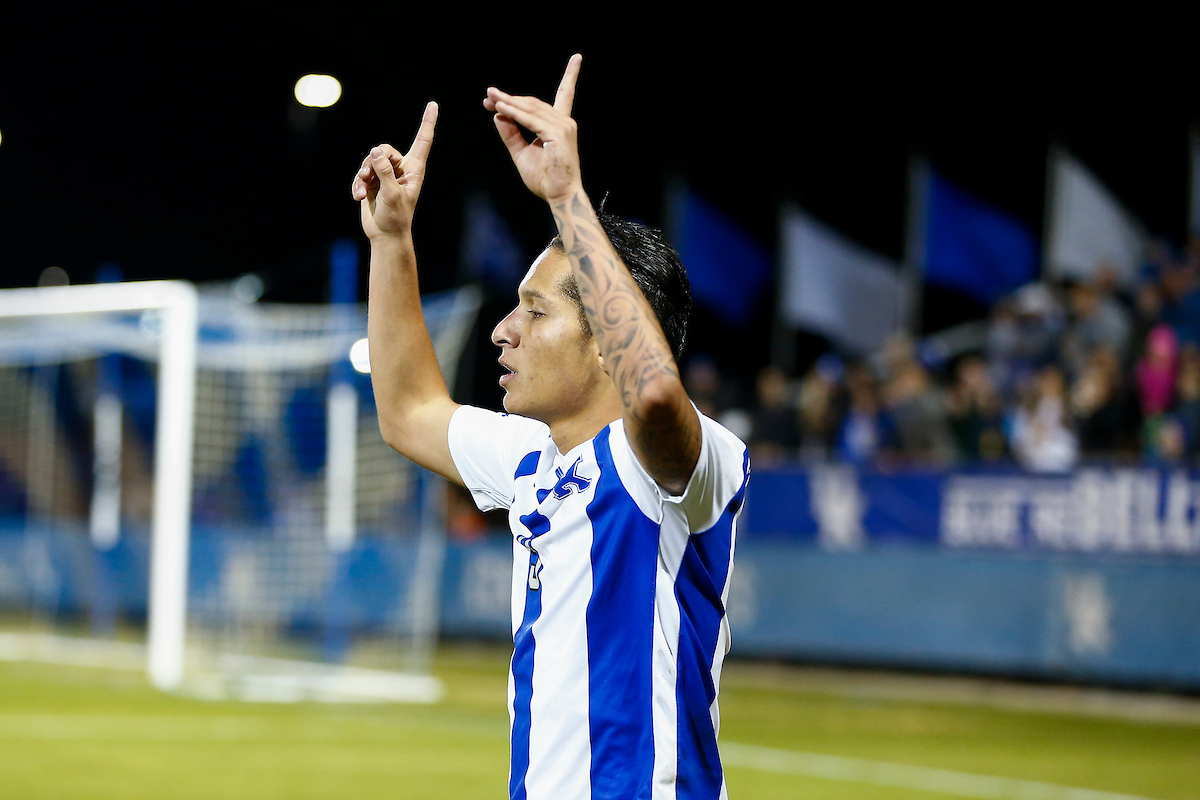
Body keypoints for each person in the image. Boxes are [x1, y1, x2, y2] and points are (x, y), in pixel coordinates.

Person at [350, 55, 750, 800]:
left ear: (605, 337)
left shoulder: (685, 463)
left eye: (536, 311)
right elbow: (407, 413)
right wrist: (392, 241)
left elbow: (658, 394)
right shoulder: (535, 457)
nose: (505, 331)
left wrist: (567, 196)